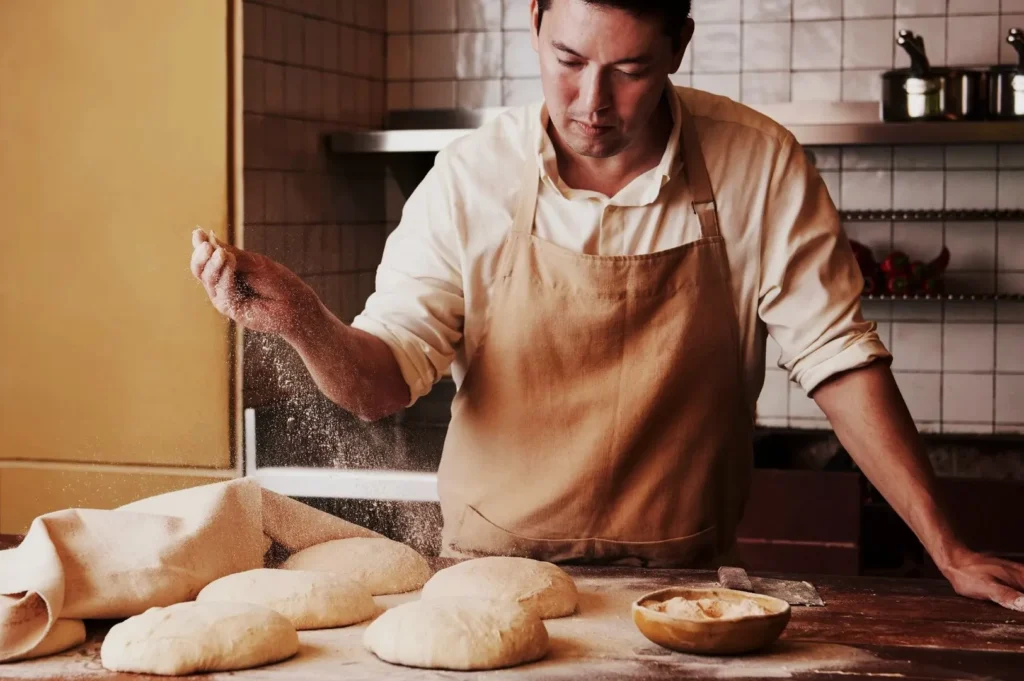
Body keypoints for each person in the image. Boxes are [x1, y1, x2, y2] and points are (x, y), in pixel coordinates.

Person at [190, 0, 1024, 611]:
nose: (593, 101)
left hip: (683, 594)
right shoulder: (472, 178)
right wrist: (300, 316)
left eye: (629, 69)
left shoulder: (757, 165)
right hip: (484, 583)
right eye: (569, 59)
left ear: (679, 47)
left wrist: (944, 546)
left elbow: (838, 359)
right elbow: (382, 383)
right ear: (533, 25)